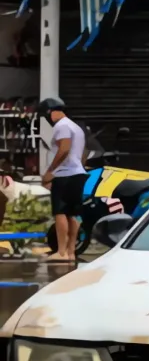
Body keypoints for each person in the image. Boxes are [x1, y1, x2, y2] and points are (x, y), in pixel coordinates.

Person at [40, 98, 86, 262]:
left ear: (49, 112)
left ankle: (61, 252)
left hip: (64, 174)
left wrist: (51, 171)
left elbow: (64, 148)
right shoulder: (76, 127)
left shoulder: (62, 126)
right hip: (78, 173)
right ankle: (71, 252)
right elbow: (83, 152)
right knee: (73, 214)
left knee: (60, 212)